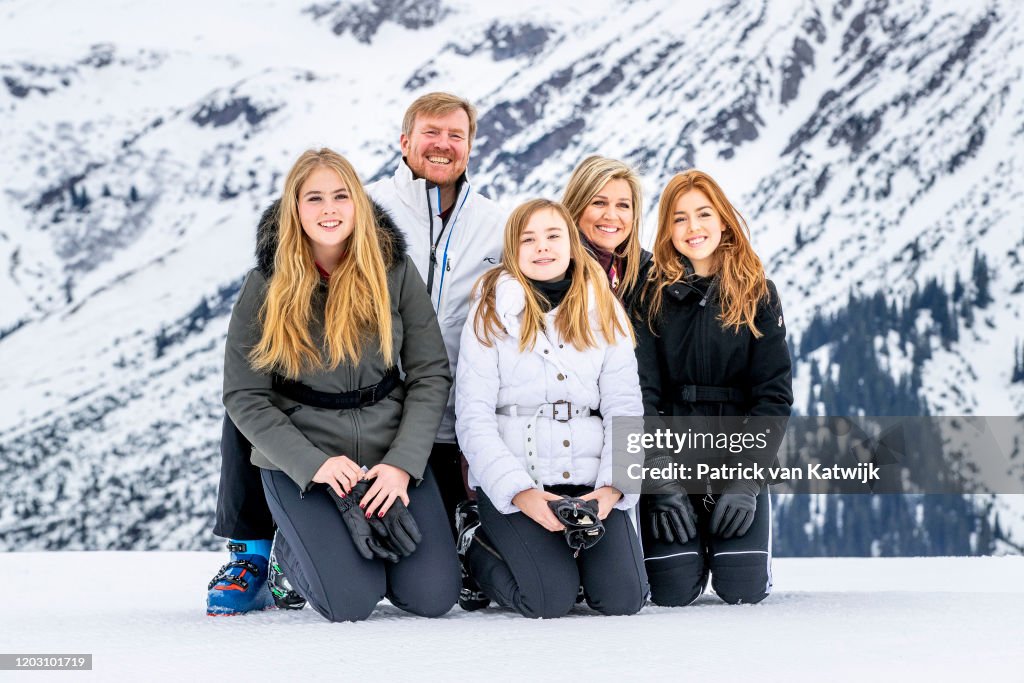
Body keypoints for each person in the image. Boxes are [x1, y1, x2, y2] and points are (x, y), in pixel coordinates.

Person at [207, 92, 504, 614]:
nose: (328, 209)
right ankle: (289, 549)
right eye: (314, 199)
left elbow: (431, 371)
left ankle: (349, 547)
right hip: (311, 456)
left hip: (389, 449)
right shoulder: (268, 283)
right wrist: (315, 465)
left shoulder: (393, 268)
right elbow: (244, 394)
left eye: (340, 197)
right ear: (293, 208)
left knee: (433, 598)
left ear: (357, 204)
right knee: (350, 602)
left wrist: (400, 466)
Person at [454, 198, 649, 618]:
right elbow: (473, 418)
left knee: (623, 599)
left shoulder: (603, 308)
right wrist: (521, 494)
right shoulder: (490, 311)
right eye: (529, 239)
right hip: (521, 480)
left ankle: (565, 557)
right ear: (514, 250)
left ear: (572, 244)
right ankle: (474, 548)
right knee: (548, 600)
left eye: (553, 235)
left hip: (590, 482)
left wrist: (612, 489)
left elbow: (624, 407)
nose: (542, 247)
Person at [634, 170, 793, 606]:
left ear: (723, 220)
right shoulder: (649, 295)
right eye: (680, 218)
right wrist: (660, 477)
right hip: (672, 461)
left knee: (741, 591)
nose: (693, 228)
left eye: (703, 214)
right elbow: (641, 395)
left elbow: (773, 395)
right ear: (667, 229)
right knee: (672, 592)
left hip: (737, 460)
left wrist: (748, 478)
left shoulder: (758, 293)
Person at [561, 155, 652, 317]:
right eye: (599, 203)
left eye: (623, 205)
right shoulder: (556, 274)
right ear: (576, 206)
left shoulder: (643, 274)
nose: (611, 215)